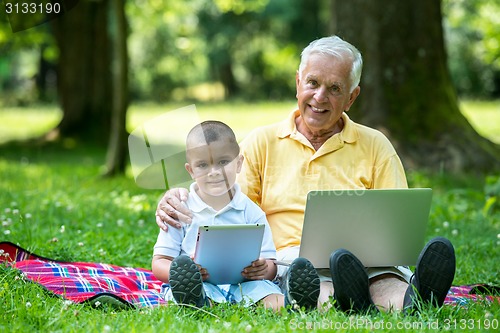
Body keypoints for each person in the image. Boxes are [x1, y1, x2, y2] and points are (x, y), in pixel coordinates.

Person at [155, 36, 456, 313]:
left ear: (352, 97)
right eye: (313, 83)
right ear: (298, 83)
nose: (320, 97)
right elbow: (224, 201)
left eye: (335, 88)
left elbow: (397, 223)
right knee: (316, 288)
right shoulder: (263, 142)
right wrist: (177, 196)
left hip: (368, 260)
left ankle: (415, 300)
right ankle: (354, 301)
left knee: (386, 281)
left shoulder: (376, 145)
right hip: (295, 263)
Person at [152, 120, 319, 312]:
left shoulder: (252, 212)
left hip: (244, 283)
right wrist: (184, 274)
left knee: (265, 292)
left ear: (239, 163)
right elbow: (159, 262)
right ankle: (200, 303)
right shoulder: (180, 210)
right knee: (190, 292)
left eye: (223, 162)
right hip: (198, 284)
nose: (214, 172)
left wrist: (264, 269)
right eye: (203, 165)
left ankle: (294, 303)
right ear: (191, 171)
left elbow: (270, 263)